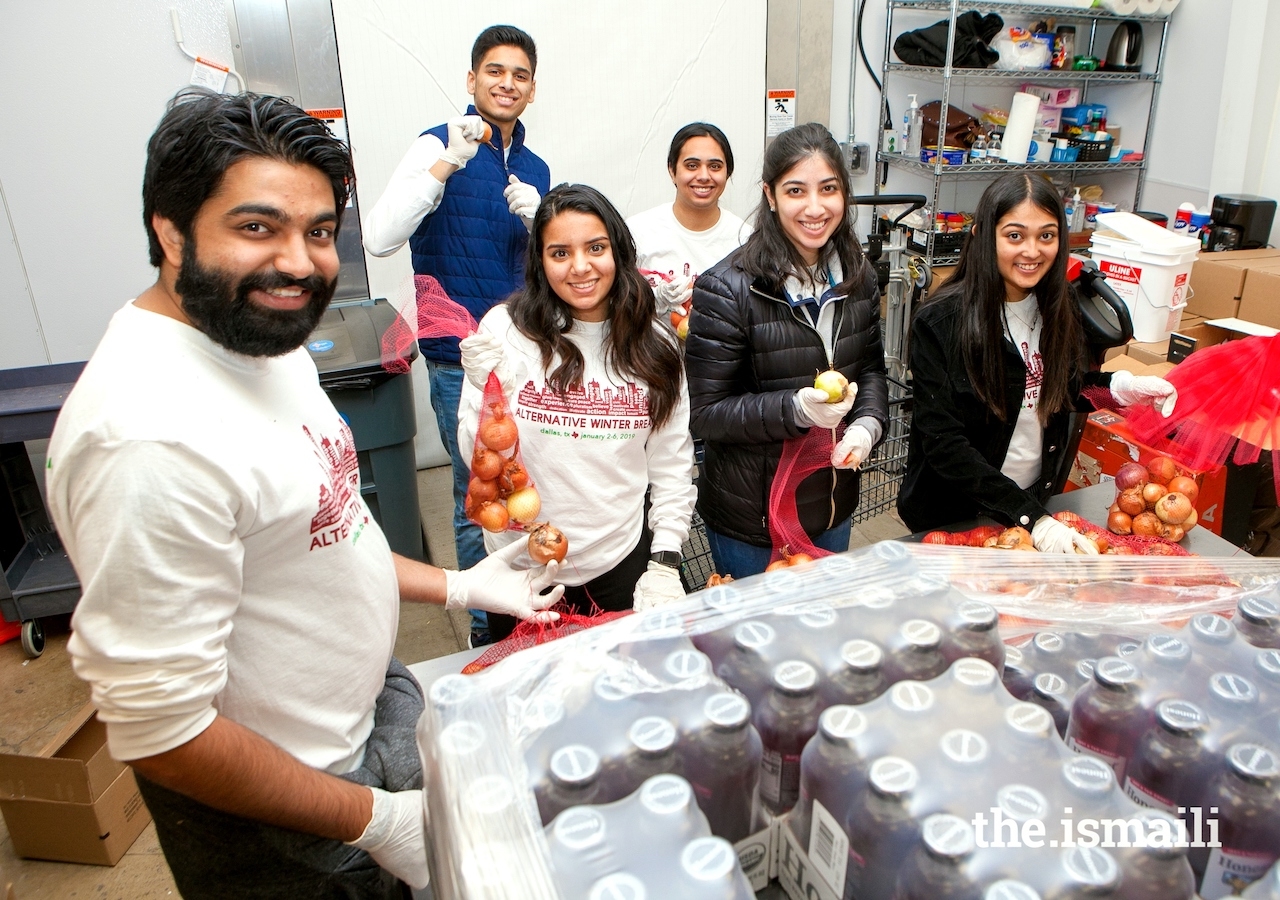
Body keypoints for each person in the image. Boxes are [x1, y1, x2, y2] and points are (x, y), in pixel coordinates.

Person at [46, 89, 562, 899]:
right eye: (256, 227)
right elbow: (164, 730)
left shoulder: (261, 342)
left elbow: (326, 527)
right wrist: (370, 819)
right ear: (169, 230)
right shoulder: (145, 434)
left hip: (366, 717)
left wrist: (454, 583)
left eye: (318, 232)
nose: (297, 262)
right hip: (291, 810)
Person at [363, 24, 550, 647]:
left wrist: (541, 221)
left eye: (520, 74)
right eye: (495, 71)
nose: (507, 83)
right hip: (459, 358)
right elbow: (381, 235)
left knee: (526, 489)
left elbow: (557, 269)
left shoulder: (536, 166)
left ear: (532, 89)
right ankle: (484, 631)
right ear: (471, 80)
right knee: (480, 496)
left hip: (526, 354)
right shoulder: (435, 144)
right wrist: (447, 163)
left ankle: (527, 608)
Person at [458, 184, 697, 640]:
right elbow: (476, 459)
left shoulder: (656, 346)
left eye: (596, 248)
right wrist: (487, 396)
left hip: (617, 560)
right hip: (519, 566)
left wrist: (665, 560)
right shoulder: (505, 331)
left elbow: (671, 465)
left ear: (618, 251)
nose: (581, 267)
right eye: (560, 253)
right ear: (540, 261)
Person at [897, 172, 1178, 551]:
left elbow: (1062, 387)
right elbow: (943, 442)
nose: (1032, 251)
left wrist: (1119, 388)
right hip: (955, 511)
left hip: (1032, 497)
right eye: (1015, 236)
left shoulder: (1059, 308)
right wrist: (1032, 518)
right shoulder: (941, 323)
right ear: (983, 237)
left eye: (1046, 235)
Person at [684, 123, 889, 578]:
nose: (815, 208)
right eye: (796, 190)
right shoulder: (726, 288)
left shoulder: (859, 277)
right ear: (771, 195)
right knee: (753, 640)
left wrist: (868, 426)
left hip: (832, 502)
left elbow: (871, 368)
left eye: (829, 189)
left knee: (820, 631)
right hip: (751, 521)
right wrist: (795, 410)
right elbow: (705, 413)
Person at [626, 123, 750, 316]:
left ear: (728, 173)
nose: (703, 176)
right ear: (672, 170)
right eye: (692, 165)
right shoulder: (636, 232)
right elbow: (615, 302)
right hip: (650, 346)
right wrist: (654, 298)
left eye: (715, 166)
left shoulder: (746, 240)